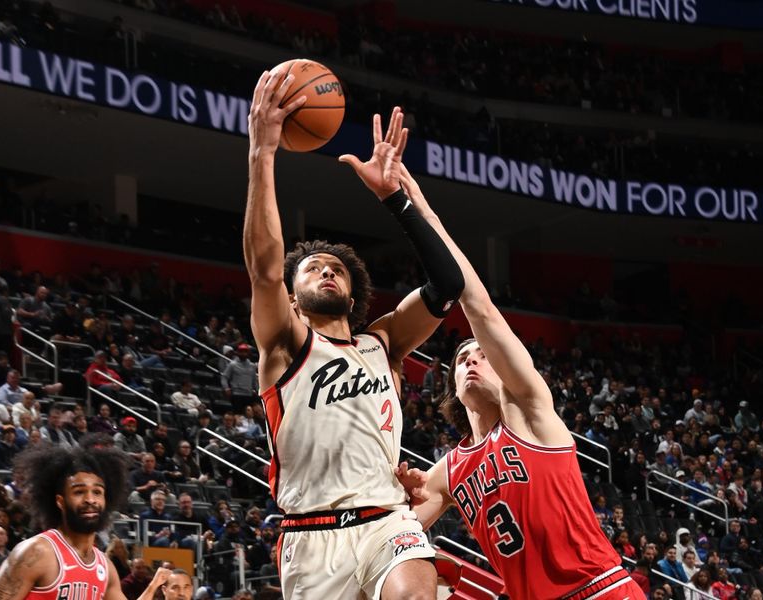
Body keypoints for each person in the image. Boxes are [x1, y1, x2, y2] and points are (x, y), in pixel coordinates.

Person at [246, 70, 463, 600]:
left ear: (354, 291)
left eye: (337, 269)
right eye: (314, 268)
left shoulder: (382, 341)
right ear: (292, 298)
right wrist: (262, 154)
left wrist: (396, 199)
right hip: (309, 536)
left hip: (389, 522)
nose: (327, 271)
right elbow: (265, 268)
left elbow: (448, 284)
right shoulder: (285, 345)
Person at [391, 164, 644, 600]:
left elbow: (479, 306)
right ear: (451, 384)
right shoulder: (448, 472)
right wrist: (395, 492)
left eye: (483, 355)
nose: (473, 361)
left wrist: (421, 211)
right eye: (462, 358)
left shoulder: (529, 410)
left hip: (597, 590)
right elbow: (396, 529)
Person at [0, 444, 169, 600]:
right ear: (60, 501)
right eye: (79, 492)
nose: (90, 499)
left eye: (97, 492)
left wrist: (155, 585)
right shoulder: (35, 553)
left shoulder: (104, 566)